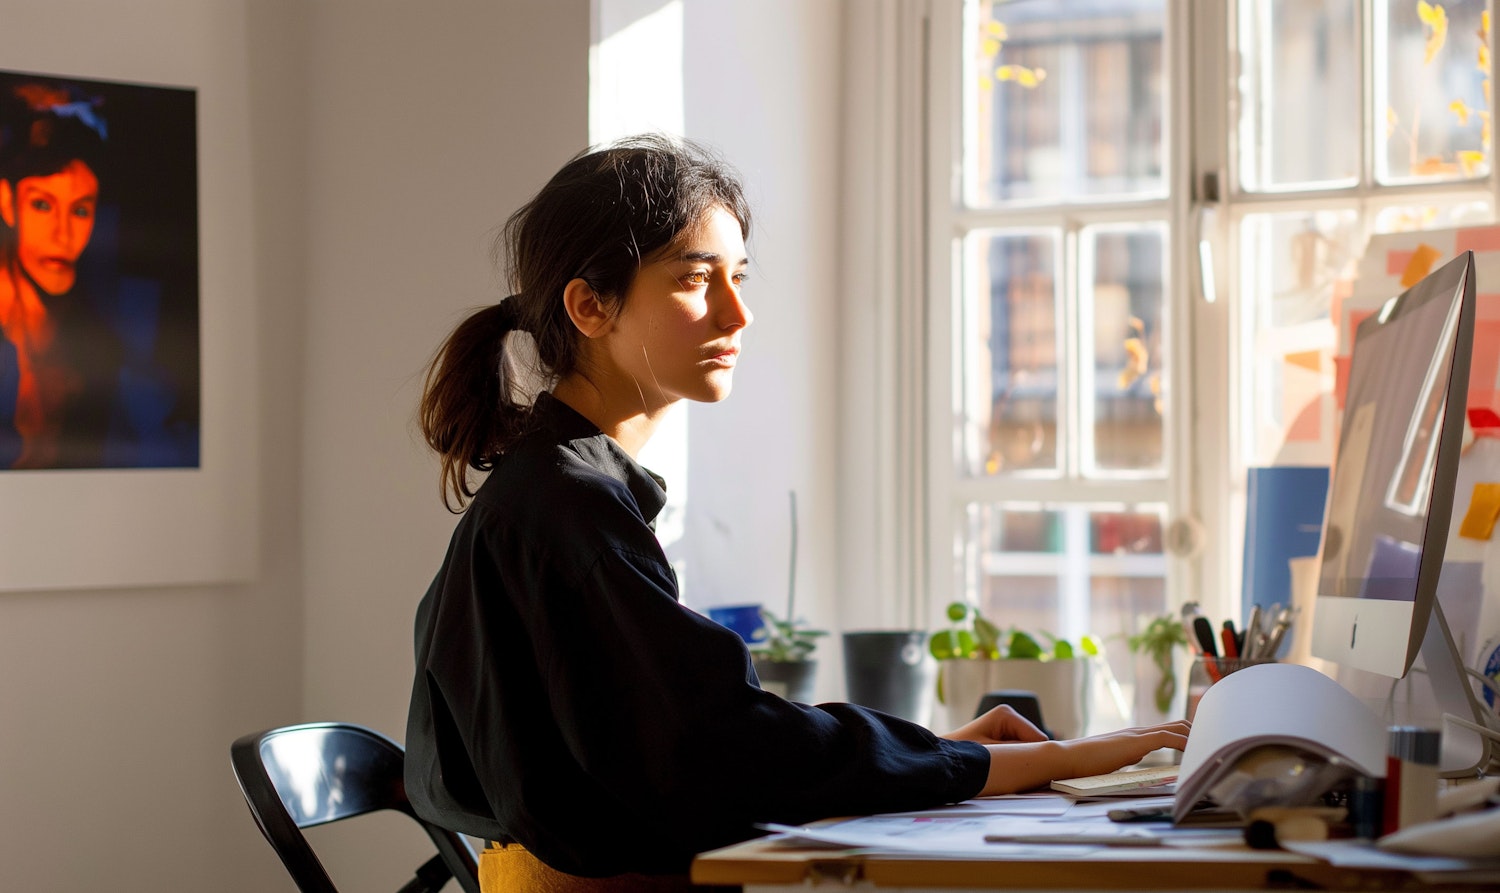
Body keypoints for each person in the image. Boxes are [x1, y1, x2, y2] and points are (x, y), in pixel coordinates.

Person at [405, 134, 1190, 889]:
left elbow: (699, 742)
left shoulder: (554, 492)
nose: (735, 314)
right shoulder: (570, 511)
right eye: (694, 278)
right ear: (590, 306)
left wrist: (935, 749)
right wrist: (1040, 761)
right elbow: (729, 754)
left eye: (739, 276)